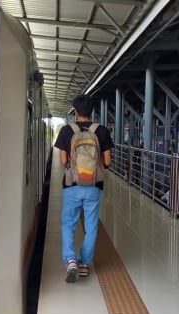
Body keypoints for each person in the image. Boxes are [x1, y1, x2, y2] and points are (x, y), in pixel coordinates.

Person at [54, 95, 113, 283]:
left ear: (75, 110)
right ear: (93, 111)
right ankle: (85, 263)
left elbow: (63, 161)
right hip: (94, 186)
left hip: (72, 184)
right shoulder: (101, 130)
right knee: (91, 225)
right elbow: (108, 162)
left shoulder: (66, 131)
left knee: (68, 224)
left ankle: (70, 260)